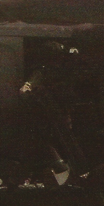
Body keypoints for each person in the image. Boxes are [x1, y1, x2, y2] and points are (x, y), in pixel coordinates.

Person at [20, 40, 83, 185]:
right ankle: (63, 177)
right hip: (52, 116)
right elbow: (26, 89)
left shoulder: (59, 71)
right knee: (54, 145)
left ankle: (67, 176)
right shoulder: (43, 72)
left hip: (61, 114)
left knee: (64, 144)